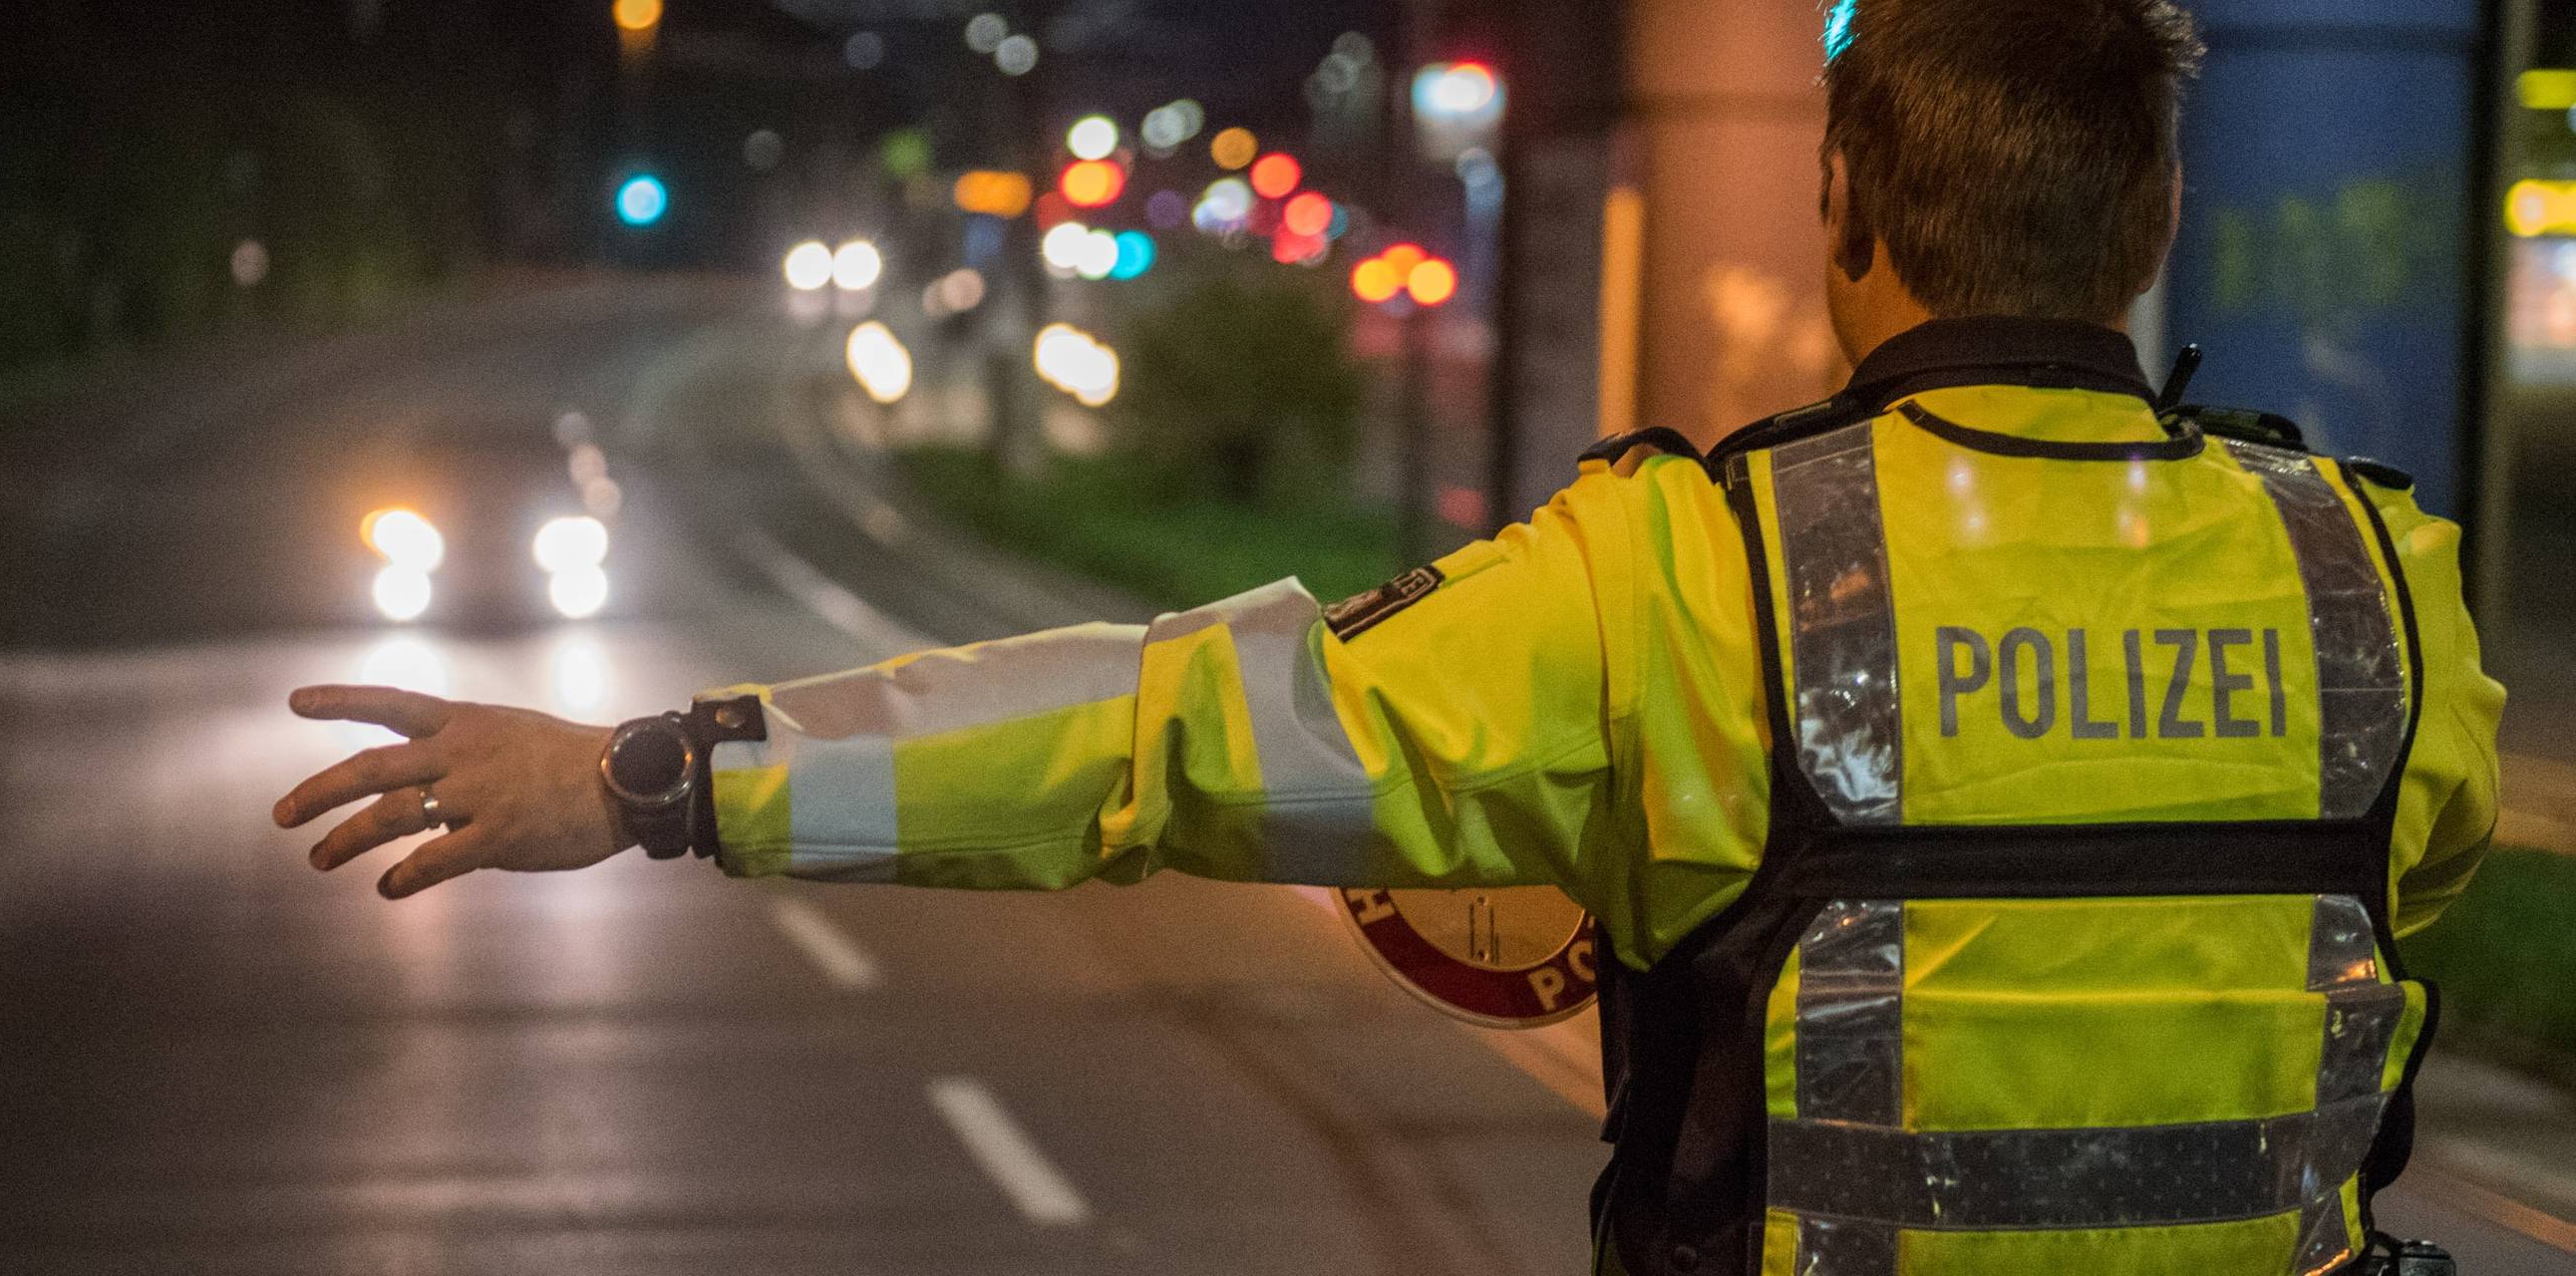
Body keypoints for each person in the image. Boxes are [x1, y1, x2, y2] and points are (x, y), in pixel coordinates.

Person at [272, 1, 2504, 1271]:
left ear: (1841, 200)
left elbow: (1161, 739)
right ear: (2154, 218)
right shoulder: (2372, 587)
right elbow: (2389, 883)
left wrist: (656, 771)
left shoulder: (1688, 579)